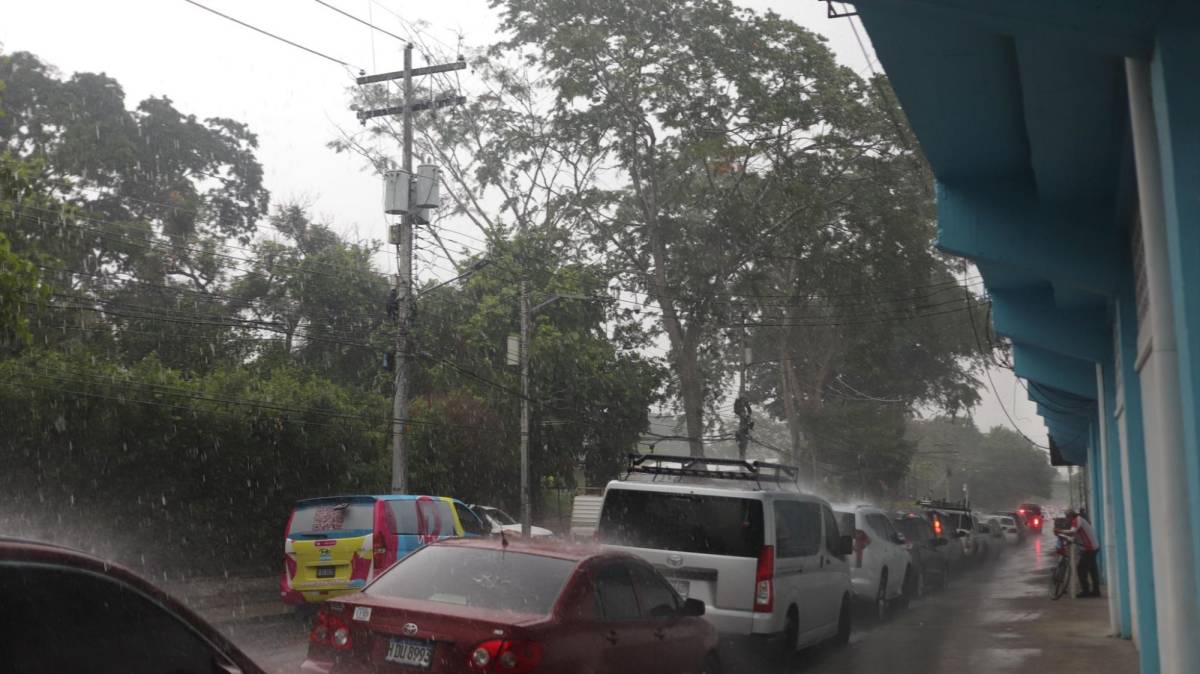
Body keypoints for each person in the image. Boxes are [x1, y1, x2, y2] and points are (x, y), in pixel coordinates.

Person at [1063, 508, 1101, 598]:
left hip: (1089, 548)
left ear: (1071, 516)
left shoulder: (1076, 520)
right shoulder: (1080, 520)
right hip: (1094, 546)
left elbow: (1072, 532)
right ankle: (1096, 591)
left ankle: (1085, 591)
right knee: (1092, 570)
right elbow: (1076, 536)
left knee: (1081, 569)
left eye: (1067, 517)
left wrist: (1060, 531)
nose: (1066, 519)